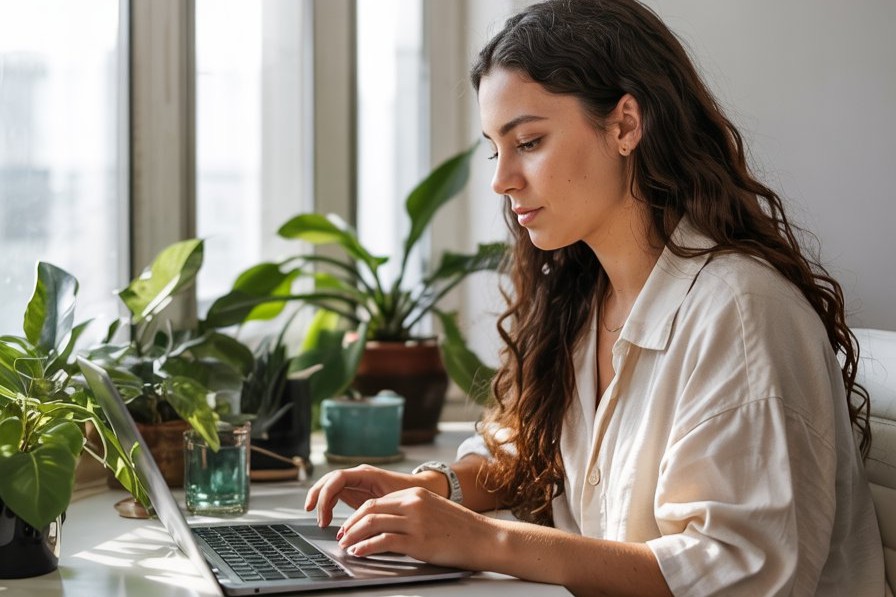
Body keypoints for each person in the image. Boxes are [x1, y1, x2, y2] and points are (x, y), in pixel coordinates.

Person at [305, 0, 886, 594]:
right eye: (494, 148)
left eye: (528, 142)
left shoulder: (737, 311)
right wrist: (430, 490)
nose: (500, 179)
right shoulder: (582, 300)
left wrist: (485, 541)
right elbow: (523, 453)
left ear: (625, 126)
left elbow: (735, 570)